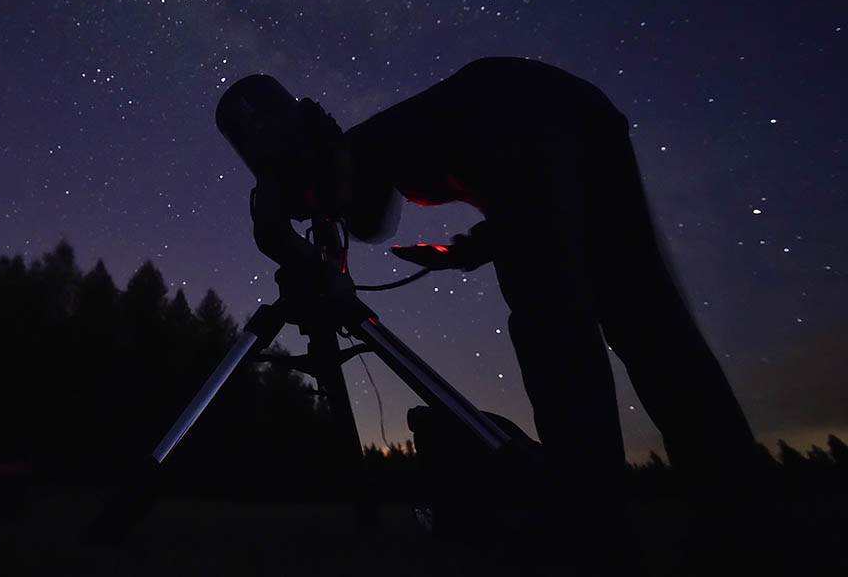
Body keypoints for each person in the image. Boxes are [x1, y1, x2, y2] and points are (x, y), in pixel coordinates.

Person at [227, 57, 762, 509]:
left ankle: (588, 510)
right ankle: (734, 495)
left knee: (552, 323)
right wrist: (461, 253)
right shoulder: (414, 141)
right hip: (581, 115)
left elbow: (503, 193)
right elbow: (531, 205)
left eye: (322, 201)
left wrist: (293, 241)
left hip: (529, 113)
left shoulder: (381, 146)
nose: (332, 215)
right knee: (644, 313)